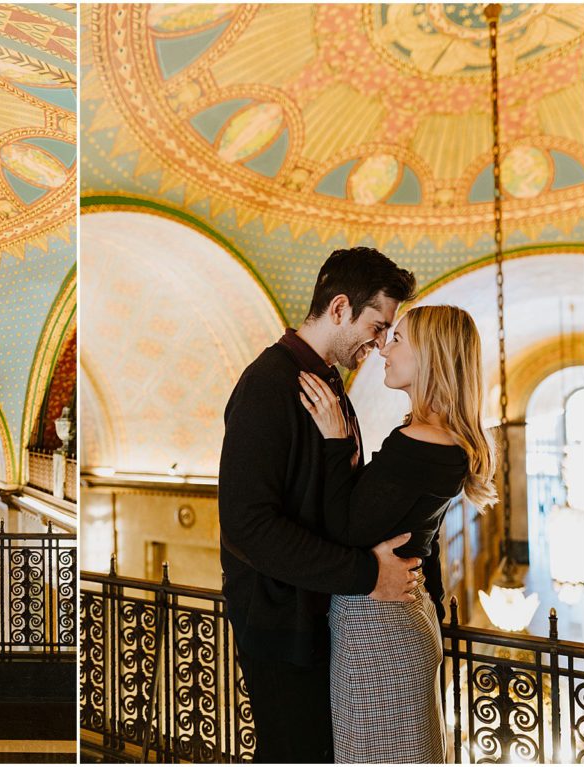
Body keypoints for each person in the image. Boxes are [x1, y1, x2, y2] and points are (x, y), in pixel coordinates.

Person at [218, 247, 421, 763]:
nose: (380, 345)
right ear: (338, 309)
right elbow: (247, 525)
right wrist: (365, 574)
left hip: (316, 613)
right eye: (377, 327)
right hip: (279, 622)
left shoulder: (330, 384)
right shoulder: (266, 385)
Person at [299, 305, 496, 763]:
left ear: (431, 356)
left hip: (379, 632)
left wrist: (334, 443)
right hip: (398, 620)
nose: (384, 349)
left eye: (399, 340)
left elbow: (343, 529)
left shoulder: (417, 444)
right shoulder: (443, 439)